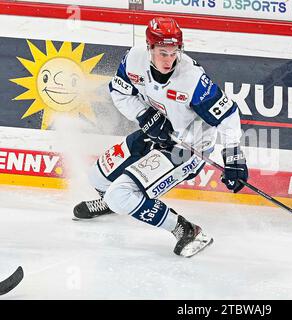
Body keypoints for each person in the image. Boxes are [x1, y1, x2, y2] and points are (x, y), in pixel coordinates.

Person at [73, 17, 248, 257]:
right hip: (154, 134)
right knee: (97, 178)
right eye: (162, 52)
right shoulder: (134, 59)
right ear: (149, 48)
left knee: (120, 194)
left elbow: (228, 115)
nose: (169, 60)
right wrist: (143, 115)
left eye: (174, 52)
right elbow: (119, 92)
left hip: (187, 147)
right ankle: (115, 203)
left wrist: (233, 155)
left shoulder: (193, 79)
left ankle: (187, 229)